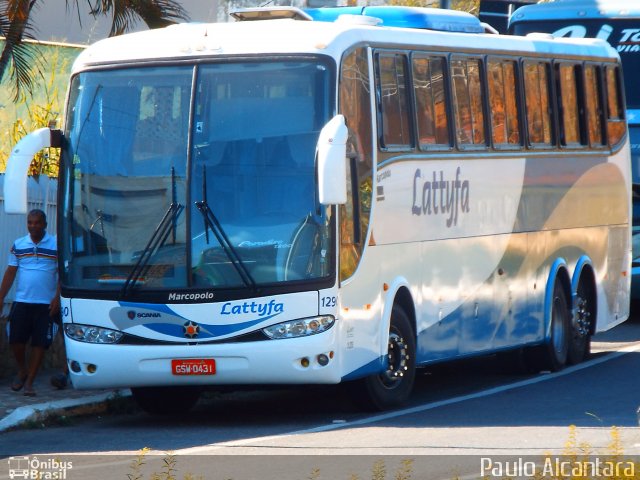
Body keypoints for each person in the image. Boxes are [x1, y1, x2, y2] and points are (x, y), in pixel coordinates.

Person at [0, 209, 60, 396]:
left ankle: (30, 382)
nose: (33, 226)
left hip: (45, 304)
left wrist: (57, 298)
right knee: (16, 340)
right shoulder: (19, 244)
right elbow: (10, 272)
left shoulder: (56, 244)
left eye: (37, 223)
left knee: (39, 343)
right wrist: (1, 297)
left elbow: (63, 274)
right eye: (30, 222)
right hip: (22, 301)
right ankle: (22, 370)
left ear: (45, 224)